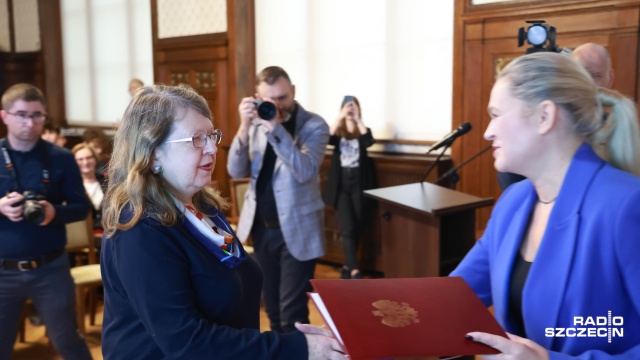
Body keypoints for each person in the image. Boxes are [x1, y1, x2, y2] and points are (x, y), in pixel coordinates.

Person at [100, 84, 345, 359]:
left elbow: (231, 283)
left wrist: (293, 341)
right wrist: (297, 348)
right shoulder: (139, 229)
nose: (211, 148)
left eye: (211, 136)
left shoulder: (204, 207)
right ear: (154, 152)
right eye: (196, 139)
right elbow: (187, 343)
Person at [450, 52, 640, 358]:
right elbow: (451, 300)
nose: (488, 131)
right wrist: (355, 337)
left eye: (496, 114)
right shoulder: (513, 202)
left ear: (544, 116)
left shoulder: (626, 205)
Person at [227, 66, 329, 333]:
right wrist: (245, 125)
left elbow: (305, 170)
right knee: (271, 308)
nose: (277, 105)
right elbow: (235, 171)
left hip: (298, 230)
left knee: (291, 312)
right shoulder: (257, 123)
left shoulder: (314, 125)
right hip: (262, 229)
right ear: (257, 96)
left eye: (283, 97)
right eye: (269, 100)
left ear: (293, 92)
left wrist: (275, 128)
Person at [0, 83, 92, 359]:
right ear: (4, 116)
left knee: (69, 343)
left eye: (36, 115)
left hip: (50, 269)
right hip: (3, 271)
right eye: (21, 115)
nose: (29, 123)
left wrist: (54, 213)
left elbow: (82, 208)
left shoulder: (61, 158)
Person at [498, 43, 617, 190]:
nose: (587, 83)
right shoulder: (549, 123)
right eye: (580, 75)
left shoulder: (621, 131)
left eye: (596, 76)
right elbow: (512, 179)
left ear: (610, 78)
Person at [323, 96, 376, 279]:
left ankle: (347, 264)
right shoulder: (338, 132)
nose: (350, 109)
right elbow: (327, 138)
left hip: (359, 183)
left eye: (354, 106)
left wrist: (358, 119)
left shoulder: (362, 131)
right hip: (341, 185)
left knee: (358, 226)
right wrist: (340, 117)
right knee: (347, 228)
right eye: (348, 107)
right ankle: (354, 269)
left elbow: (369, 142)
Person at [72, 143, 107, 230]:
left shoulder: (108, 182)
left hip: (110, 233)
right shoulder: (72, 187)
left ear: (95, 159)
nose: (85, 162)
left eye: (89, 158)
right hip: (86, 237)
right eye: (80, 159)